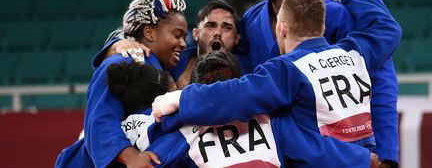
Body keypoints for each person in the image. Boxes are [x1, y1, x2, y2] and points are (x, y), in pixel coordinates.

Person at [152, 0, 401, 165]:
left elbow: (236, 96)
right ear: (323, 27)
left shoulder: (287, 69)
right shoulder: (355, 50)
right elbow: (387, 27)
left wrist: (181, 99)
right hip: (368, 156)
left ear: (282, 29)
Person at [234, 0, 400, 167]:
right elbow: (244, 84)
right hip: (273, 152)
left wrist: (386, 152)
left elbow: (379, 81)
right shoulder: (251, 19)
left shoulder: (334, 13)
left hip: (335, 152)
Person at [109, 51, 380, 167]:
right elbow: (318, 151)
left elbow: (154, 159)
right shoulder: (271, 121)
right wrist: (365, 161)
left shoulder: (179, 126)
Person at [55, 0, 188, 167]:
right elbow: (99, 120)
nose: (182, 43)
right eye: (177, 35)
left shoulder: (166, 69)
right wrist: (131, 157)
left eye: (184, 37)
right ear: (149, 33)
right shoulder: (120, 62)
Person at [94, 0, 242, 89]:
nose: (218, 32)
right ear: (196, 34)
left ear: (237, 38)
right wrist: (117, 44)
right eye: (211, 25)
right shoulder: (172, 60)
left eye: (227, 27)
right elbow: (122, 61)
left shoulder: (248, 69)